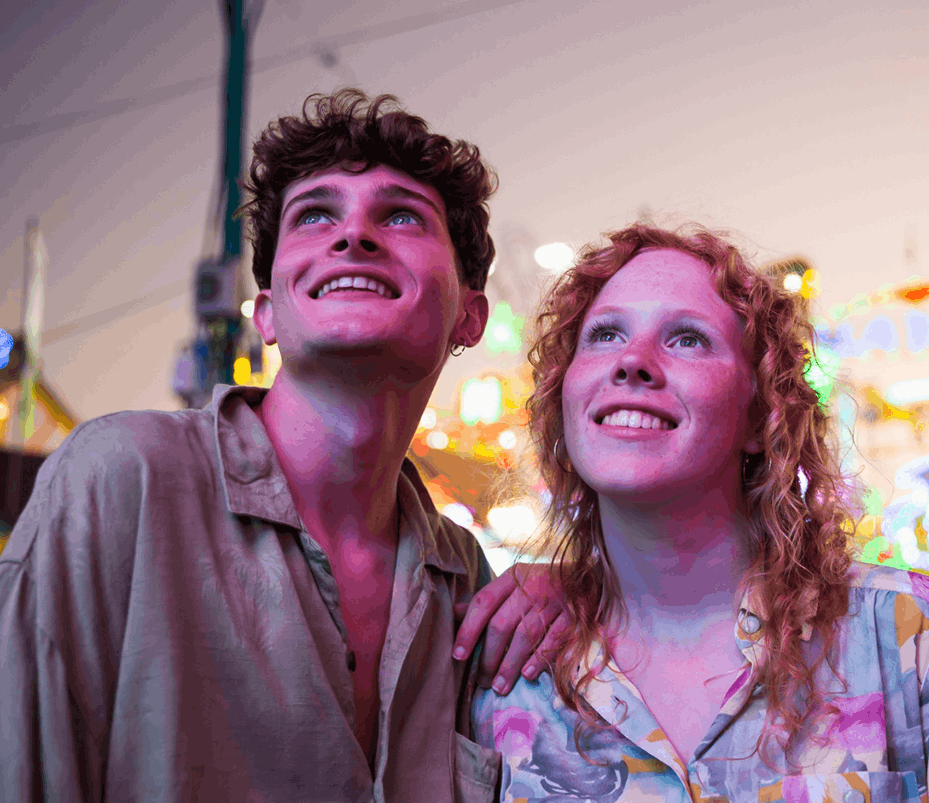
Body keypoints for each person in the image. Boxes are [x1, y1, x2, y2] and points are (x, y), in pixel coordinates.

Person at [0, 89, 563, 801]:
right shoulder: (123, 479)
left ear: (470, 314)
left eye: (400, 215)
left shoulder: (465, 577)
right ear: (268, 311)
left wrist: (592, 598)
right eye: (316, 214)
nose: (353, 235)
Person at [472, 223, 929, 801]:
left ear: (758, 415)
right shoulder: (503, 671)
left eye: (687, 338)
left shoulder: (916, 638)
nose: (633, 361)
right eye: (605, 334)